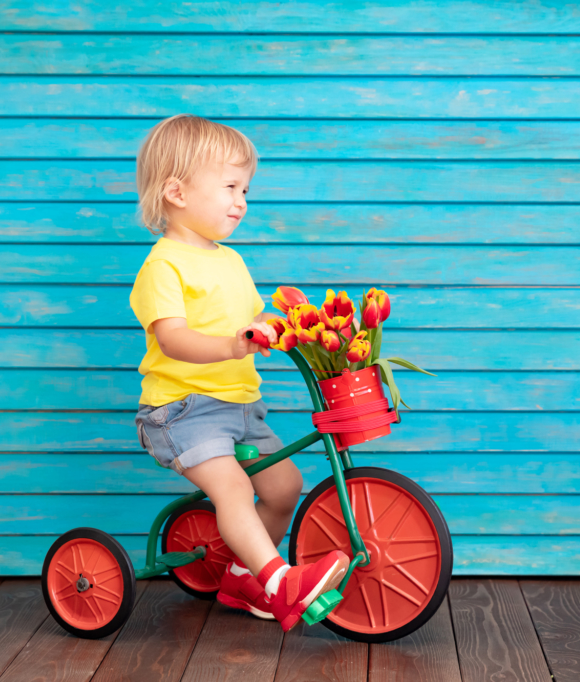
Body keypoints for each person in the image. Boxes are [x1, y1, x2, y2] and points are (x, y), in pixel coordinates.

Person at [129, 114, 348, 632]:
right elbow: (173, 338)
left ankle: (240, 578)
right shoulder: (164, 266)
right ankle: (279, 581)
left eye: (245, 188)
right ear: (176, 191)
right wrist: (234, 345)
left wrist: (281, 326)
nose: (241, 200)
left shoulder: (231, 261)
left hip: (241, 407)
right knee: (232, 488)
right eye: (230, 186)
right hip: (182, 411)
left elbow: (252, 320)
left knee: (285, 486)